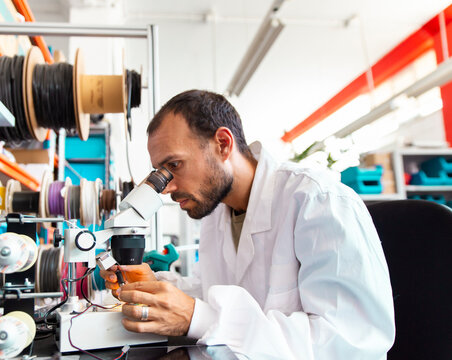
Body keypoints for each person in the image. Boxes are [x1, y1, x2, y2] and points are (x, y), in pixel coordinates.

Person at [101, 90, 395, 359]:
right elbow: (218, 291)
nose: (166, 187)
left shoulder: (318, 200)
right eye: (161, 173)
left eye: (174, 165)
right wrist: (156, 286)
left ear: (223, 144)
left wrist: (198, 318)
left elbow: (349, 344)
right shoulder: (216, 212)